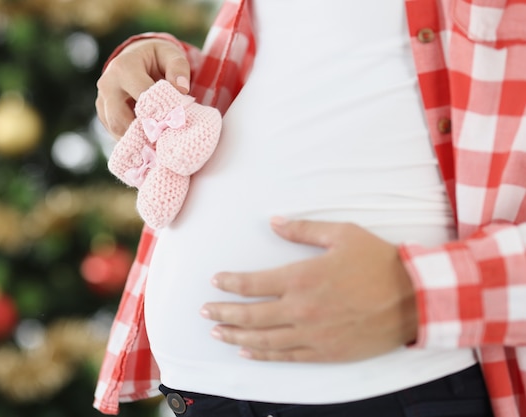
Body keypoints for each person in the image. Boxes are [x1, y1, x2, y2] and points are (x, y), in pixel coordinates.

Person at [93, 0, 526, 416]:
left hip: (400, 387)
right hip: (204, 395)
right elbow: (306, 79)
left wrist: (421, 295)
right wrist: (158, 64)